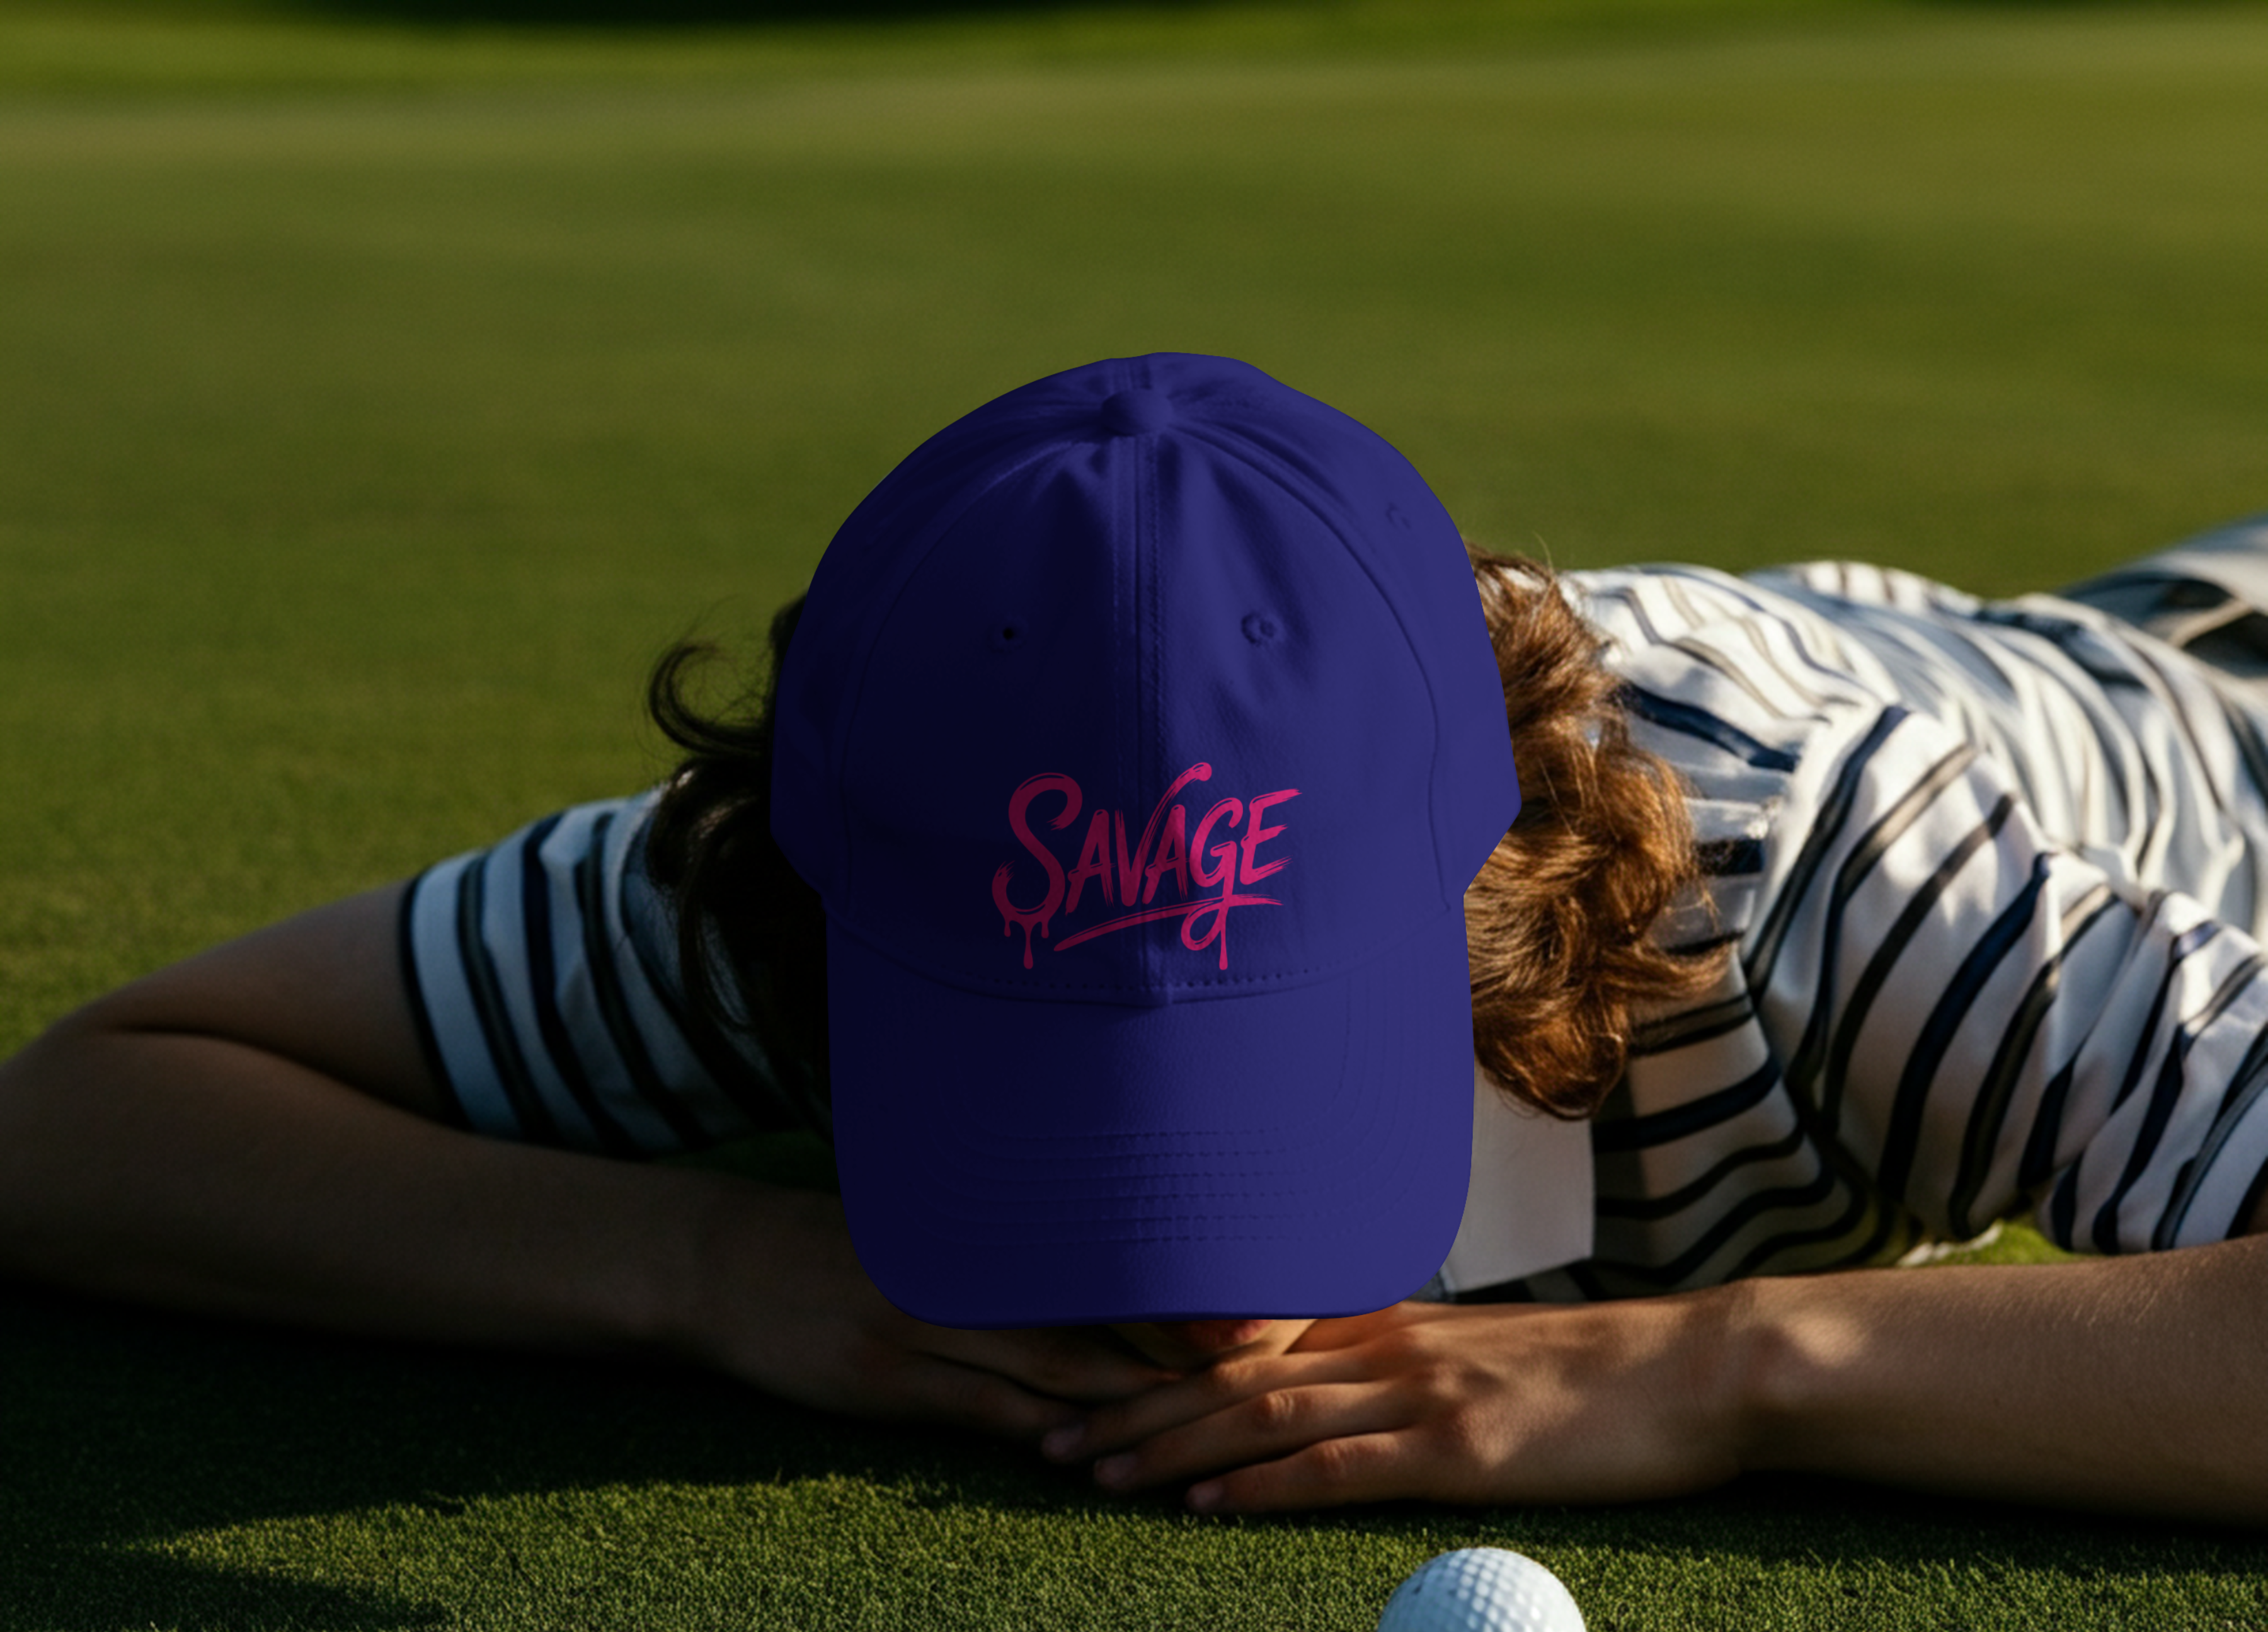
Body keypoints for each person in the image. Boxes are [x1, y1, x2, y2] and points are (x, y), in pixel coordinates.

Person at [3, 354, 2267, 1526]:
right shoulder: (826, 852)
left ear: (1511, 875)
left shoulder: (1800, 878)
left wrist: (1717, 1367)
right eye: (1059, 1092)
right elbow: (83, 1120)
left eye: (1271, 1078)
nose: (1197, 1296)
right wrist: (704, 1271)